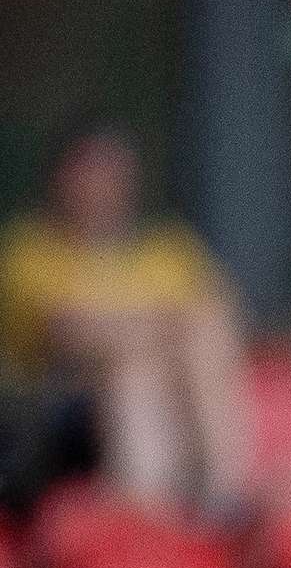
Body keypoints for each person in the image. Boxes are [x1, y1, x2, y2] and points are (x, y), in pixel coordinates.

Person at [0, 120, 251, 517]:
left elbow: (220, 322)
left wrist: (132, 331)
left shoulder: (170, 250)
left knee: (156, 363)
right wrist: (166, 330)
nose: (101, 187)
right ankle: (155, 518)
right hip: (59, 420)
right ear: (61, 181)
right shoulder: (31, 249)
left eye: (112, 174)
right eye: (89, 173)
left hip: (167, 409)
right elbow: (70, 334)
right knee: (129, 372)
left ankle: (214, 493)